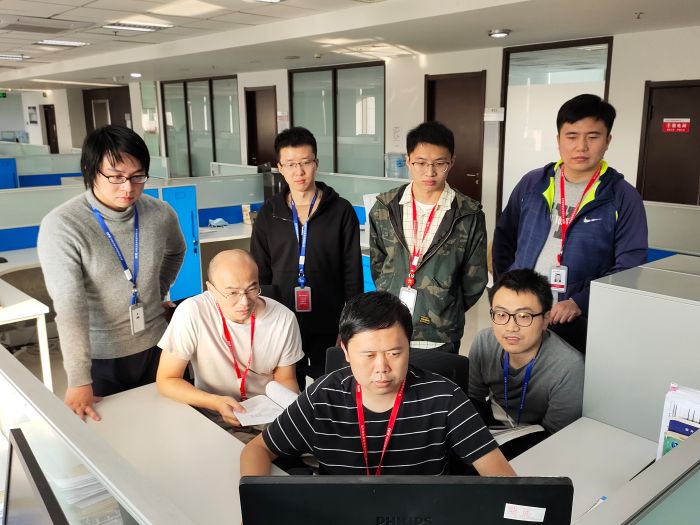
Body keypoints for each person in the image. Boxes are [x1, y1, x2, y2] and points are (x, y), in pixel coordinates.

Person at [240, 291, 515, 477]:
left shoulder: (445, 397)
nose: (382, 367)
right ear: (346, 352)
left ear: (409, 347)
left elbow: (500, 475)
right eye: (368, 355)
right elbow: (258, 449)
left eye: (395, 353)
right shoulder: (322, 396)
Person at [37, 125, 185, 420]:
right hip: (101, 359)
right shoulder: (63, 225)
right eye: (116, 177)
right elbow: (70, 307)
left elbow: (176, 251)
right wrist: (79, 379)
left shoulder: (159, 213)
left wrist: (154, 293)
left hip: (159, 347)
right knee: (114, 436)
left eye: (137, 176)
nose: (128, 188)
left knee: (174, 426)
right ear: (90, 170)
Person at [493, 94, 648, 352]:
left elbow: (630, 265)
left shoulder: (622, 197)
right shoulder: (533, 183)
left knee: (570, 374)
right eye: (572, 136)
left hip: (577, 319)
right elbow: (504, 238)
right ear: (558, 140)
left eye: (593, 137)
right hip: (520, 312)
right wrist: (505, 288)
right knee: (514, 373)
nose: (581, 147)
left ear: (608, 141)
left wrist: (581, 302)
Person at [250, 126, 363, 388]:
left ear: (316, 163)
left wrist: (349, 325)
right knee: (287, 390)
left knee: (334, 388)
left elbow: (352, 273)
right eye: (290, 164)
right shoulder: (269, 213)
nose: (299, 172)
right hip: (282, 319)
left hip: (330, 319)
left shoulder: (341, 210)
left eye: (305, 162)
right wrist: (265, 322)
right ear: (280, 167)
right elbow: (261, 272)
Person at [369, 121, 487, 354]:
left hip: (440, 333)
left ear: (452, 161)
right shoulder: (385, 207)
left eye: (440, 163)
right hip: (391, 325)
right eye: (421, 163)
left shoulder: (468, 214)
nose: (430, 172)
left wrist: (446, 305)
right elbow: (378, 264)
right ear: (408, 161)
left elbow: (474, 280)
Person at [156, 249, 303, 430]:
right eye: (232, 293)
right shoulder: (192, 313)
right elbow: (167, 379)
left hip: (268, 418)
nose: (244, 302)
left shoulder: (284, 319)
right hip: (214, 418)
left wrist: (286, 418)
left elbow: (286, 380)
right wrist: (215, 402)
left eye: (252, 289)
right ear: (211, 289)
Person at [468, 269, 584, 441]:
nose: (511, 327)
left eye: (524, 316)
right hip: (493, 429)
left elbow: (555, 437)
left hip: (541, 439)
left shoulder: (570, 368)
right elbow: (474, 399)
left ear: (546, 319)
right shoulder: (484, 342)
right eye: (501, 314)